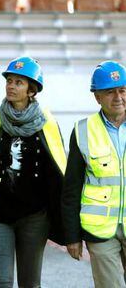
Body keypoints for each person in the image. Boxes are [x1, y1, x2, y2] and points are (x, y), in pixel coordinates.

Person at [0, 56, 67, 287]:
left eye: (18, 82)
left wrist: (65, 219)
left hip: (35, 217)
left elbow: (58, 172)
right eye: (9, 81)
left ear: (31, 91)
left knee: (30, 284)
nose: (11, 86)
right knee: (0, 282)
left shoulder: (48, 124)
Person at [62, 61, 126, 288]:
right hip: (100, 231)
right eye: (110, 92)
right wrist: (71, 236)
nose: (118, 97)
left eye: (122, 90)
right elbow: (71, 188)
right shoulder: (83, 131)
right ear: (97, 97)